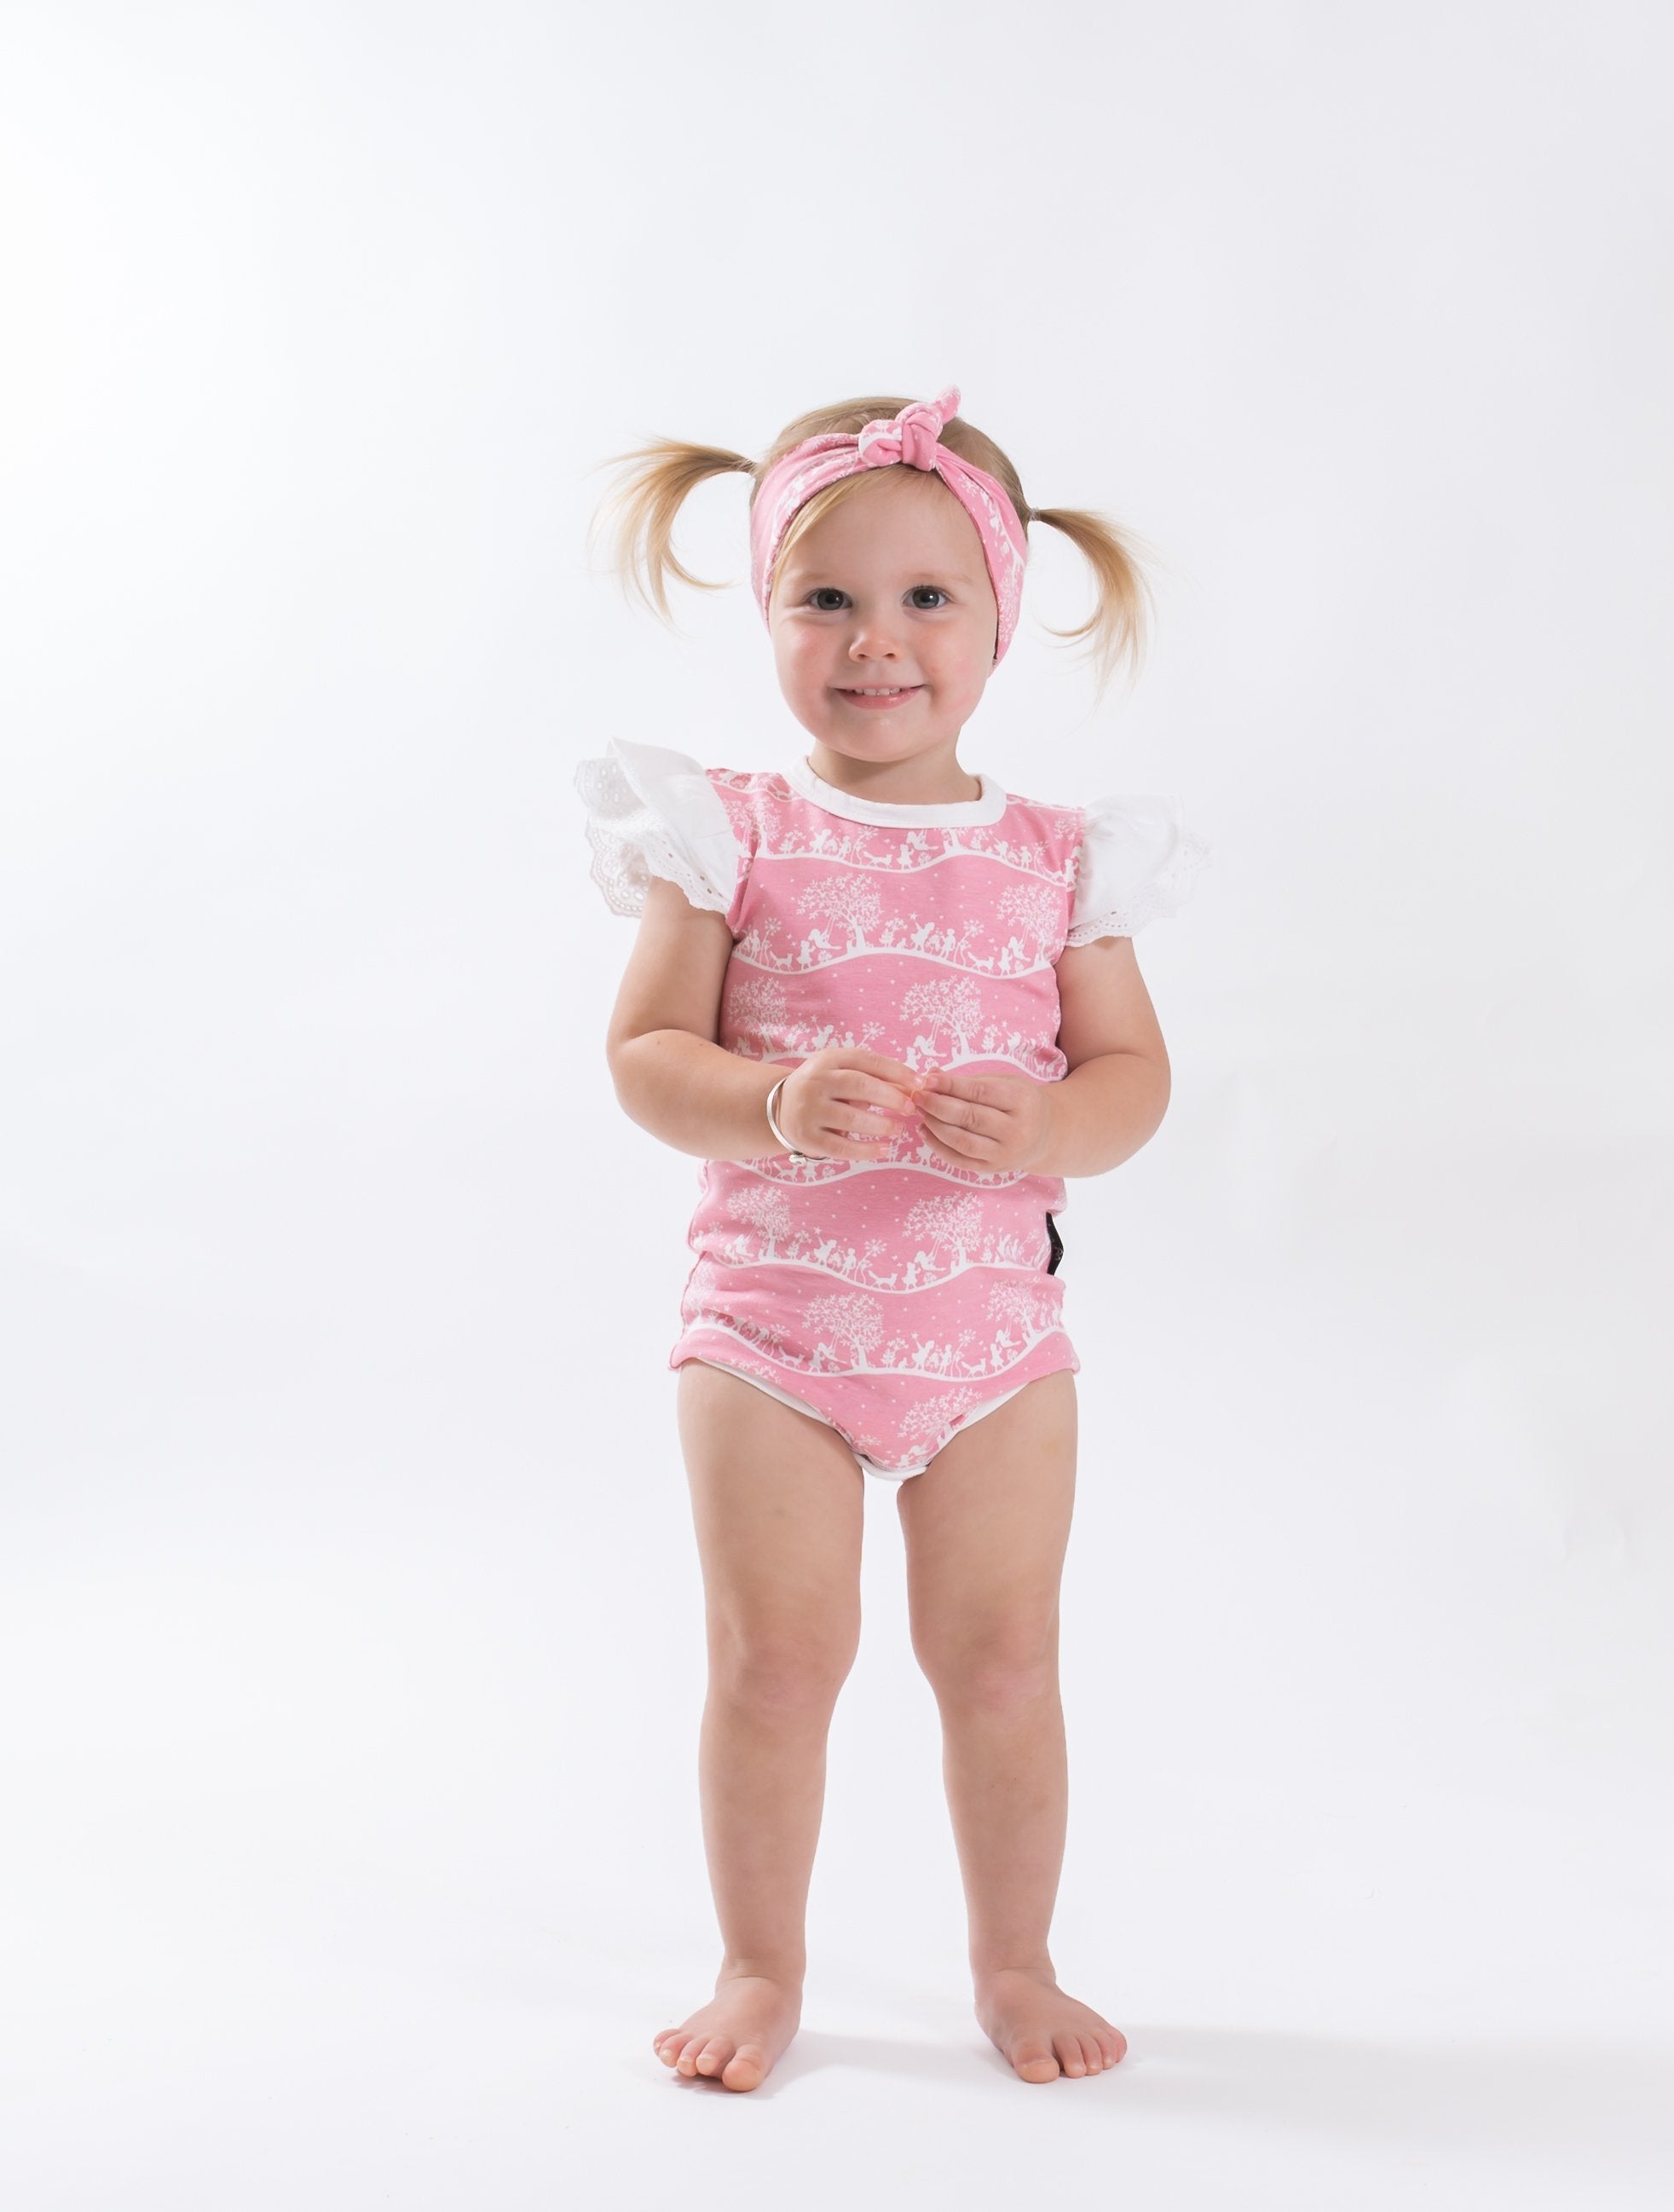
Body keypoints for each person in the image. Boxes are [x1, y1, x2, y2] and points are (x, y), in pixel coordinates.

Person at [573, 389, 1209, 2092]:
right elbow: (645, 1056)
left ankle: (1015, 1960)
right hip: (770, 1337)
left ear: (1002, 616)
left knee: (1001, 1662)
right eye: (827, 600)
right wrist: (771, 1100)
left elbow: (1133, 1079)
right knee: (775, 1662)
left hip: (990, 1344)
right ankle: (757, 1963)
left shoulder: (1059, 863)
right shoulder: (727, 836)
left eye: (927, 597)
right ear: (768, 614)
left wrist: (1055, 1125)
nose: (876, 640)